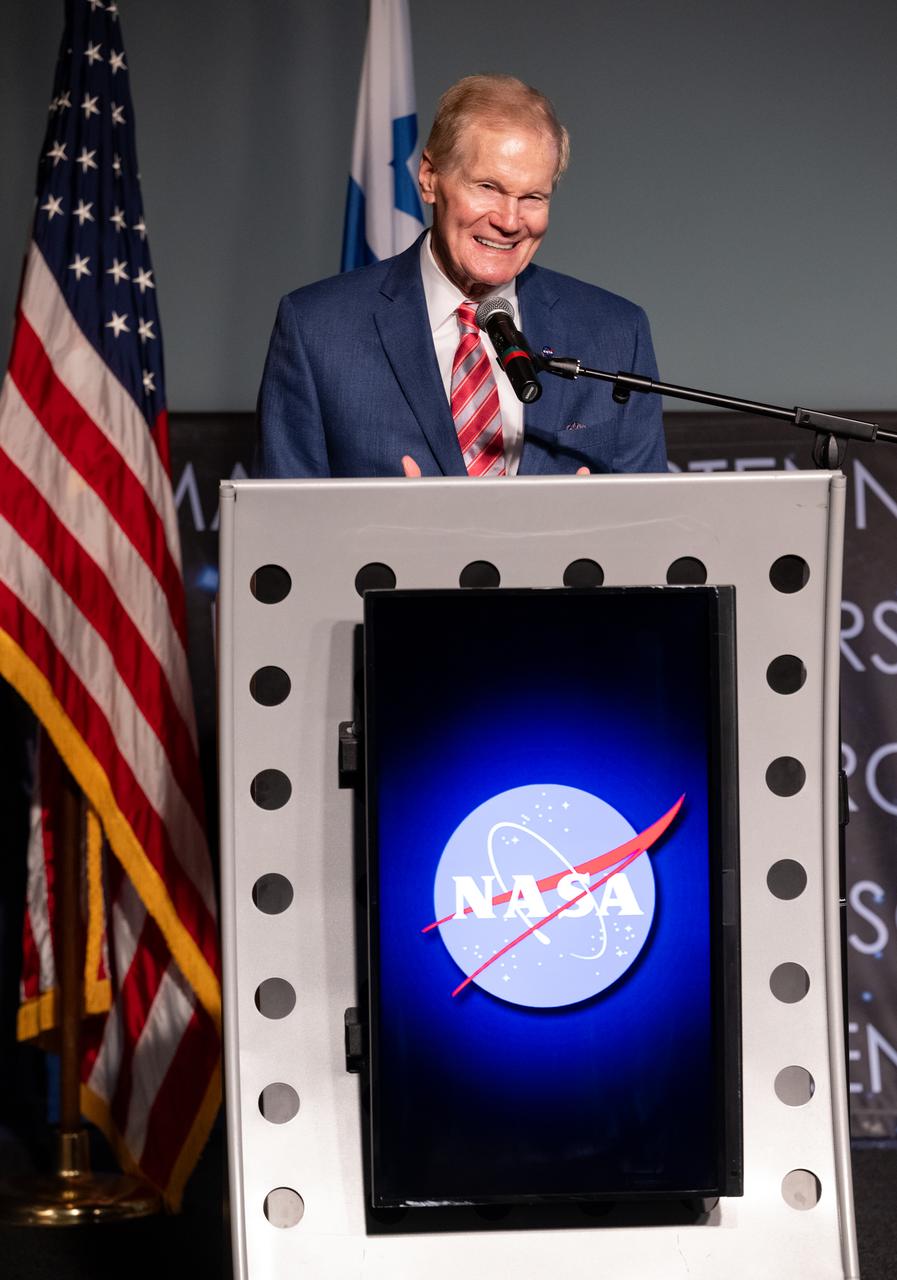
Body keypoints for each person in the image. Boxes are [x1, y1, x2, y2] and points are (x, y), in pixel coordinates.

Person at [255, 75, 666, 478]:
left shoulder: (615, 332)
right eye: (487, 186)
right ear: (429, 177)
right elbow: (280, 529)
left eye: (532, 197)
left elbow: (651, 528)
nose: (509, 221)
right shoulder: (317, 329)